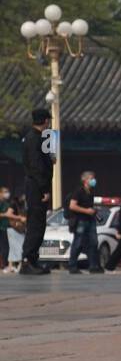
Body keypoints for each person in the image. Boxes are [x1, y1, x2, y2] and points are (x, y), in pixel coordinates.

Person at [20, 108, 53, 275]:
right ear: (45, 121)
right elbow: (37, 167)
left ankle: (33, 259)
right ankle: (28, 259)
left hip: (36, 184)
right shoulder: (34, 139)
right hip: (36, 187)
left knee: (39, 224)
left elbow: (47, 162)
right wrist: (44, 189)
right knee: (35, 224)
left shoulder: (38, 138)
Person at [65, 171, 103, 274]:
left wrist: (93, 210)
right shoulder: (79, 191)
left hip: (90, 220)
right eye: (91, 179)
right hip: (81, 220)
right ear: (85, 180)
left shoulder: (91, 192)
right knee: (78, 243)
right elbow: (72, 206)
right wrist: (87, 211)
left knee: (93, 242)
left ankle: (93, 266)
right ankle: (72, 266)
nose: (93, 181)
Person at [2, 190, 26, 272]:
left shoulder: (22, 203)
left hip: (16, 228)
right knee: (19, 246)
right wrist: (19, 218)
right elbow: (8, 214)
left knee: (13, 248)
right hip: (14, 228)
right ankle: (19, 265)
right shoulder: (14, 203)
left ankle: (10, 266)